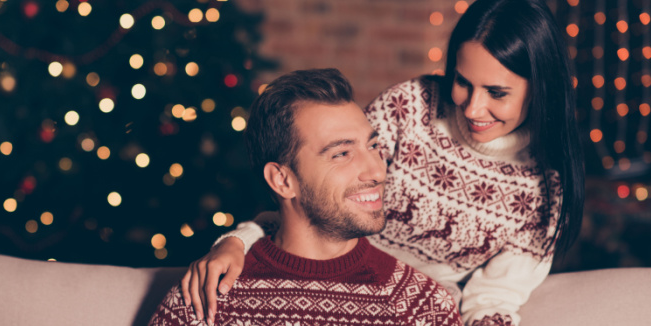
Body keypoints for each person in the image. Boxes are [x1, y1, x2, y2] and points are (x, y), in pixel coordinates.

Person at [182, 0, 584, 326]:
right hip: (338, 275)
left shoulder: (545, 189)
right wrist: (239, 239)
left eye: (497, 93)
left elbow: (494, 297)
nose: (473, 108)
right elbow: (315, 198)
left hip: (416, 309)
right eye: (462, 82)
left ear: (540, 89)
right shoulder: (411, 105)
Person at [150, 68, 463, 326]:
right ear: (283, 180)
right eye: (342, 153)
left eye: (374, 147)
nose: (377, 171)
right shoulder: (206, 297)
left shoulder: (422, 308)